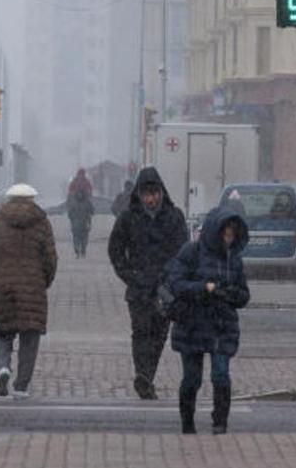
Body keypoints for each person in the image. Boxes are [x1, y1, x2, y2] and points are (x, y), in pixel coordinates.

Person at [166, 207, 250, 435]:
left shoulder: (235, 260)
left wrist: (229, 293)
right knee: (192, 378)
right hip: (193, 323)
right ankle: (187, 421)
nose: (229, 238)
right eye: (226, 233)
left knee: (221, 374)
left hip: (222, 325)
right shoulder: (191, 252)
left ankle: (220, 421)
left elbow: (244, 295)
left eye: (233, 234)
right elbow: (177, 284)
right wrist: (205, 288)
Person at [108, 168, 189, 400]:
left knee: (159, 334)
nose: (151, 199)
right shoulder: (128, 218)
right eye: (146, 194)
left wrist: (172, 275)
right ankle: (142, 375)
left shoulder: (174, 217)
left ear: (161, 193)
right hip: (139, 288)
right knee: (141, 332)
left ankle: (147, 376)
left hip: (165, 288)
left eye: (154, 193)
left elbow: (183, 251)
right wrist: (128, 274)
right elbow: (115, 249)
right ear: (139, 194)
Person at [0, 183, 58, 400]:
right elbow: (50, 258)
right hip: (33, 287)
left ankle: (3, 367)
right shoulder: (42, 223)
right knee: (29, 338)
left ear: (9, 198)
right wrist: (45, 281)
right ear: (33, 199)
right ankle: (21, 385)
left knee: (3, 332)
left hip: (2, 286)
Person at [66, 170, 95, 259]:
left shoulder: (74, 182)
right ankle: (82, 250)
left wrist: (71, 217)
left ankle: (77, 250)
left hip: (76, 221)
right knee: (84, 237)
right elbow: (92, 210)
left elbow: (70, 211)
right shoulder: (86, 182)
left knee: (76, 236)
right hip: (85, 220)